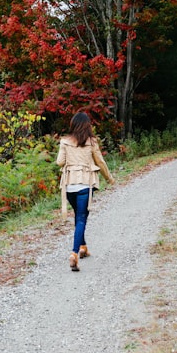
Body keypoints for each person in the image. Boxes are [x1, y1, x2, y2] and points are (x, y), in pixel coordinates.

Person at [56, 112, 115, 272]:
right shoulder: (92, 142)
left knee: (78, 216)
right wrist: (109, 178)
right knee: (81, 218)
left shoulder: (64, 141)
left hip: (69, 186)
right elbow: (100, 162)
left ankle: (83, 247)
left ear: (73, 125)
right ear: (87, 126)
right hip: (84, 185)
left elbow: (59, 162)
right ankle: (74, 253)